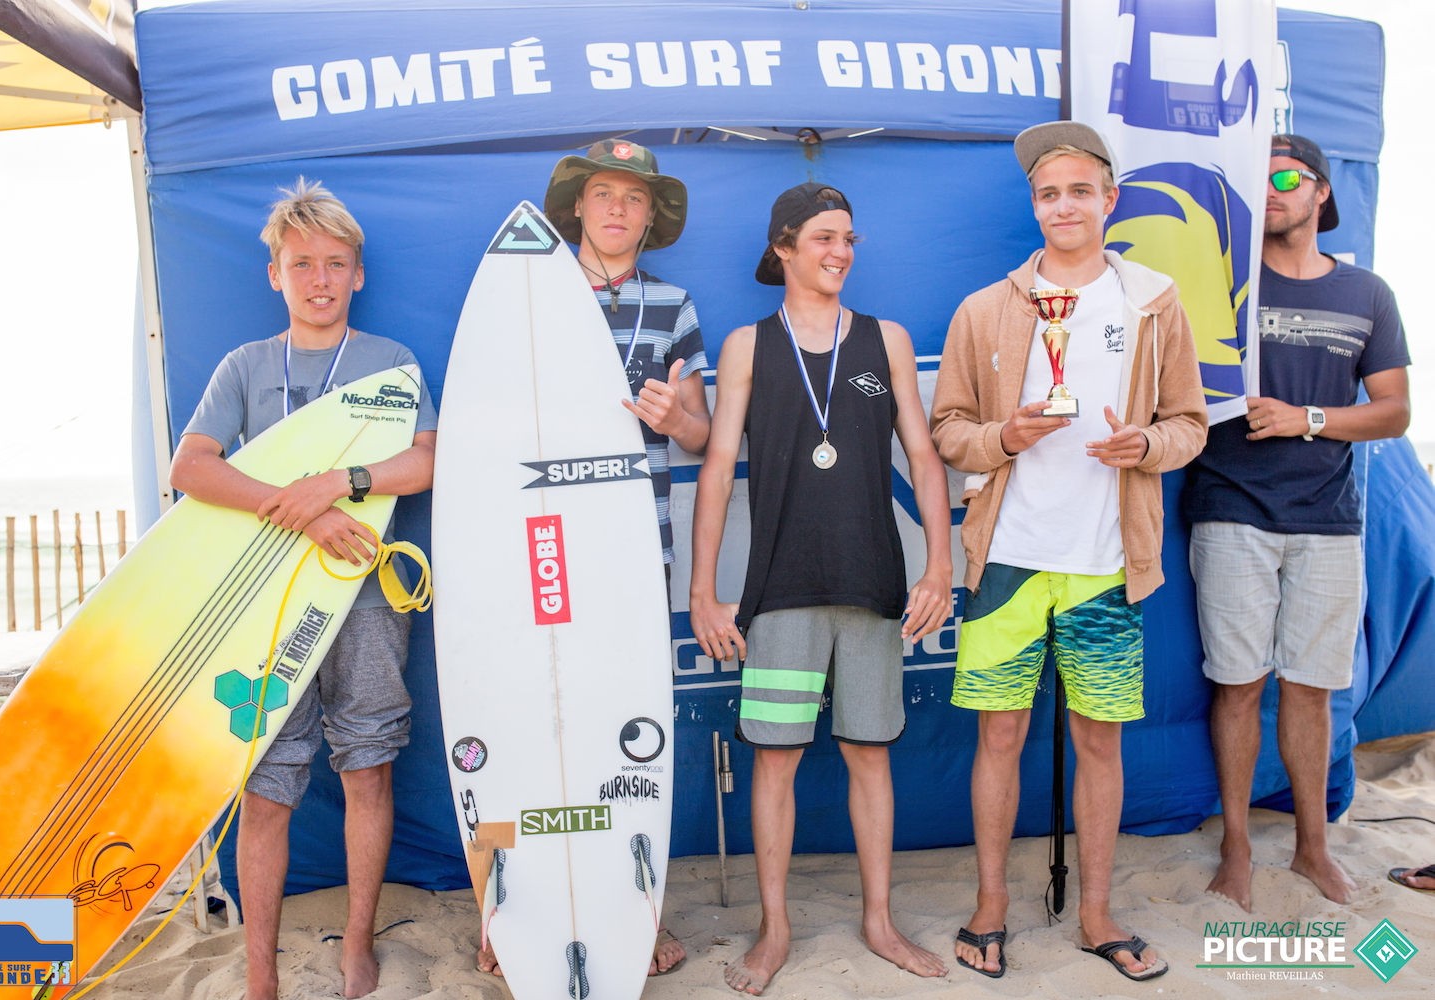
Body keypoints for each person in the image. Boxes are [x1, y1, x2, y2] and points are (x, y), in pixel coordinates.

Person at [931, 121, 1207, 982]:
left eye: (1079, 190)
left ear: (1107, 200)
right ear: (1035, 206)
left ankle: (1095, 915)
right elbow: (947, 431)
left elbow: (1190, 425)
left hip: (1102, 565)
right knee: (1000, 739)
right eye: (1048, 193)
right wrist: (1003, 437)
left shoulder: (1153, 302)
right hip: (1007, 561)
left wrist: (1148, 450)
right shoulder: (985, 308)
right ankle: (988, 910)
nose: (1063, 205)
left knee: (1099, 745)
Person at [169, 179, 438, 1000]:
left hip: (363, 602)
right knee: (265, 787)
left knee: (367, 769)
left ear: (357, 274)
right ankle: (259, 969)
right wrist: (302, 515)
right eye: (301, 265)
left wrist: (340, 480)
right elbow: (191, 468)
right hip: (267, 606)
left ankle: (357, 945)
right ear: (275, 275)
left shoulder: (389, 362)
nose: (319, 280)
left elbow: (429, 458)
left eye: (335, 264)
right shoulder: (247, 366)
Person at [692, 181, 955, 995]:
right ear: (784, 247)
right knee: (775, 761)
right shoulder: (747, 345)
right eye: (822, 239)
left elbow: (922, 454)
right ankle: (775, 931)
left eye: (848, 239)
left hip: (874, 581)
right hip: (780, 587)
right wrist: (706, 592)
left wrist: (939, 565)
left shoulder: (885, 341)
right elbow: (714, 470)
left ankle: (878, 920)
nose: (839, 252)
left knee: (869, 755)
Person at [475, 138, 709, 979]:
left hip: (626, 553)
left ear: (651, 216)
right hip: (523, 551)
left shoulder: (673, 303)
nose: (617, 208)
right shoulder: (520, 292)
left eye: (634, 198)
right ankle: (501, 918)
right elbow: (481, 425)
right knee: (512, 718)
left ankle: (636, 916)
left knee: (626, 731)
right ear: (577, 205)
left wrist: (671, 420)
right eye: (603, 193)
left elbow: (700, 430)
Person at [1182, 134, 1411, 911]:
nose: (1271, 188)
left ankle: (1314, 846)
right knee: (1239, 687)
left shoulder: (1367, 293)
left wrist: (1307, 417)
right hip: (1230, 506)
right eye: (1259, 177)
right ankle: (1238, 847)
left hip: (1328, 520)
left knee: (1311, 691)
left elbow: (1394, 411)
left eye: (1286, 175)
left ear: (1320, 194)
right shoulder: (1220, 287)